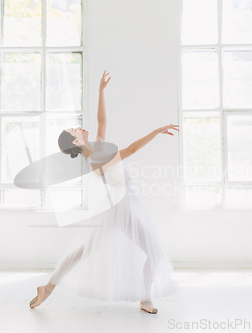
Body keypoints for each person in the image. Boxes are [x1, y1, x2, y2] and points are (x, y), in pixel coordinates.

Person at [29, 70, 179, 314]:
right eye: (74, 130)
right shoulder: (96, 158)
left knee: (84, 251)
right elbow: (130, 150)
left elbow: (102, 121)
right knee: (152, 251)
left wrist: (100, 90)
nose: (79, 127)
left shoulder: (97, 147)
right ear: (76, 142)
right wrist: (157, 130)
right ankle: (146, 298)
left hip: (121, 206)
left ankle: (48, 287)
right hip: (119, 208)